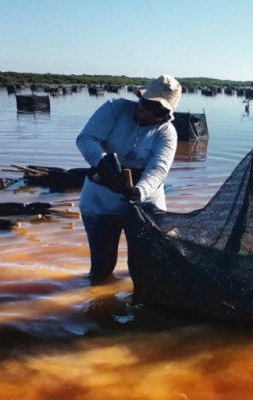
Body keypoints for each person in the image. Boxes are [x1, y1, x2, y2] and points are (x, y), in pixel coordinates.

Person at [76, 74, 182, 284]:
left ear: (167, 114)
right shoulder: (115, 108)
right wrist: (100, 162)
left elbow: (159, 168)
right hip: (100, 200)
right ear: (140, 98)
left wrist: (140, 190)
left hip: (146, 202)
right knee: (102, 268)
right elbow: (86, 138)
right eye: (146, 103)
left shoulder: (167, 132)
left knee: (151, 263)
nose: (148, 112)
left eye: (158, 109)